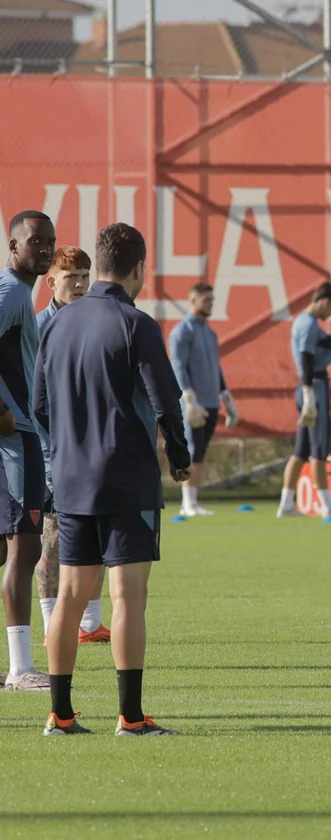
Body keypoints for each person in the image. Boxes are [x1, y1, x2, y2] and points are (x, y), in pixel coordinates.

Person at [35, 222, 192, 735]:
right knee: (128, 596)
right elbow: (165, 398)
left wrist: (65, 450)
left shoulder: (57, 323)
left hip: (71, 480)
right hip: (126, 478)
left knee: (72, 595)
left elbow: (39, 405)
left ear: (98, 265)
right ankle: (129, 717)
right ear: (139, 268)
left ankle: (60, 714)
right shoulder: (136, 323)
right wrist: (181, 454)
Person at [35, 246, 110, 646]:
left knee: (93, 538)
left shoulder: (95, 321)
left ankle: (89, 623)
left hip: (90, 453)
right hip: (52, 456)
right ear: (52, 282)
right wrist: (48, 459)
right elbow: (36, 406)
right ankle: (52, 626)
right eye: (71, 277)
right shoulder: (39, 328)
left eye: (85, 275)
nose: (80, 284)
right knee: (51, 543)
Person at [1, 211, 54, 691]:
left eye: (49, 242)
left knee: (6, 549)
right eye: (34, 240)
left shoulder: (17, 291)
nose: (44, 249)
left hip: (15, 434)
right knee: (25, 545)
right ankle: (20, 667)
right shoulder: (13, 292)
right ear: (13, 245)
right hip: (16, 437)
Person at [278, 282, 331, 519]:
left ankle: (286, 504)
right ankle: (327, 506)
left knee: (301, 449)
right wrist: (309, 390)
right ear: (325, 302)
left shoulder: (300, 321)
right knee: (319, 447)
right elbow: (307, 357)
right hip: (314, 386)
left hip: (305, 386)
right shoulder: (309, 324)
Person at [169, 283, 238, 518]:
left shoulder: (210, 332)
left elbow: (215, 368)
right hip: (193, 404)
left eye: (212, 299)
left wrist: (226, 397)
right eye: (205, 300)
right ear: (192, 300)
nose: (210, 304)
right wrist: (188, 398)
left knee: (201, 452)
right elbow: (178, 366)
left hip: (210, 401)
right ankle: (186, 502)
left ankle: (194, 500)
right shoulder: (182, 331)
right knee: (191, 451)